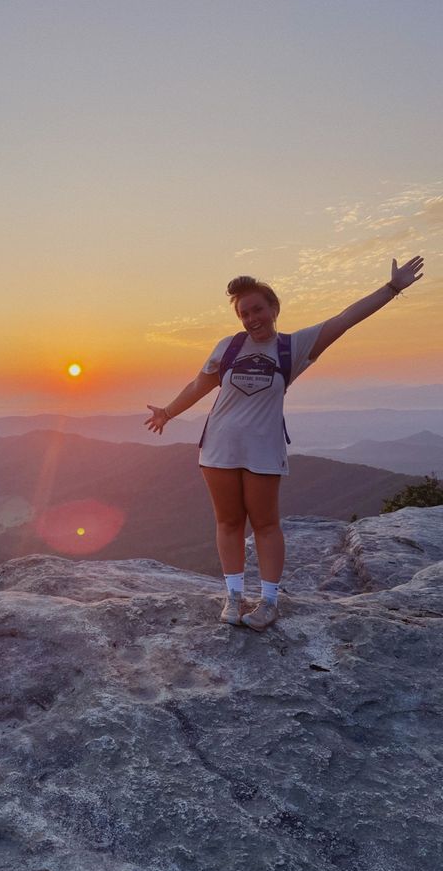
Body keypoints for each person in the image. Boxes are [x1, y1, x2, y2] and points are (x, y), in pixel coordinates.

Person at [145, 255, 425, 632]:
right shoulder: (228, 347)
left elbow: (345, 319)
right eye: (244, 313)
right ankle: (233, 598)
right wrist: (167, 412)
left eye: (258, 309)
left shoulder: (294, 347)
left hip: (263, 452)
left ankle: (269, 601)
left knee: (265, 524)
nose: (251, 318)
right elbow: (199, 385)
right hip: (218, 449)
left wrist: (391, 289)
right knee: (228, 522)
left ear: (274, 308)